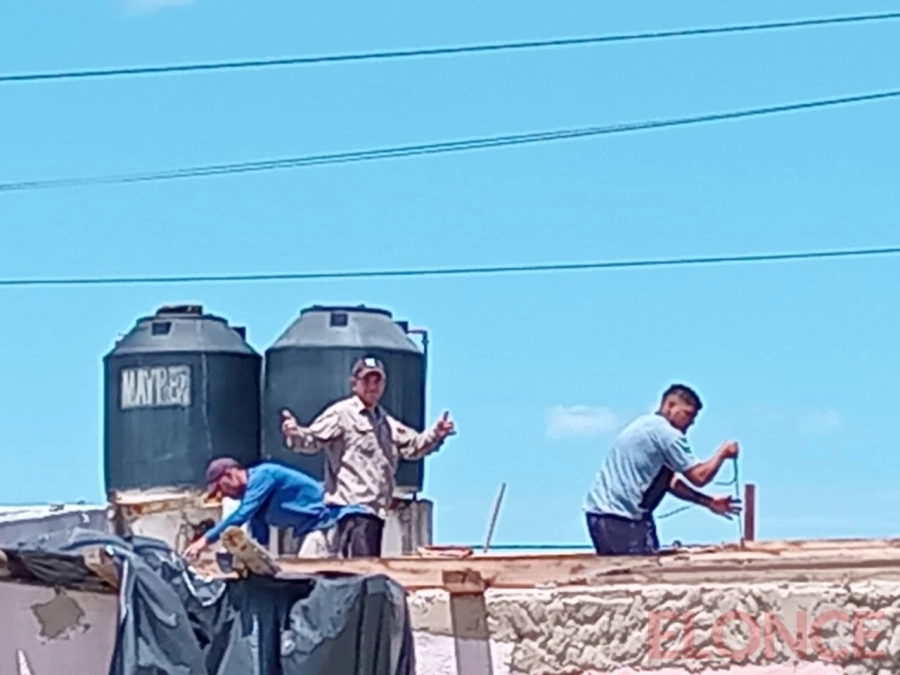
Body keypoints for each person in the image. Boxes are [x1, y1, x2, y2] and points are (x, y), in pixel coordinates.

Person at [281, 355, 456, 558]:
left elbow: (413, 447)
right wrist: (294, 433)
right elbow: (311, 440)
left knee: (368, 573)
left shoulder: (386, 422)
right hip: (350, 511)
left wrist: (436, 433)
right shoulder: (342, 414)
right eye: (366, 380)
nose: (372, 386)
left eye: (377, 380)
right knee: (358, 573)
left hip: (375, 513)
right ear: (354, 383)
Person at [582, 383, 741, 556]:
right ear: (670, 406)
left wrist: (708, 502)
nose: (692, 422)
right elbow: (699, 477)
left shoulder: (645, 425)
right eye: (688, 414)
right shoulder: (666, 433)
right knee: (638, 574)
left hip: (601, 515)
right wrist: (722, 453)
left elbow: (670, 482)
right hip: (622, 518)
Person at [182, 456, 367, 561]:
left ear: (230, 474)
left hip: (327, 524)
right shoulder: (254, 498)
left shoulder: (263, 475)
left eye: (221, 488)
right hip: (309, 530)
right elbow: (258, 538)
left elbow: (241, 515)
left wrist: (204, 541)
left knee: (308, 575)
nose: (223, 495)